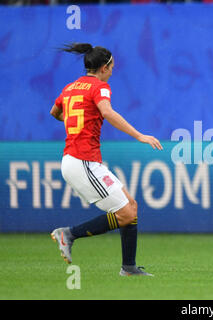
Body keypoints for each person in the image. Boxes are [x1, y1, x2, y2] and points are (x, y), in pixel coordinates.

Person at [50, 43, 163, 276]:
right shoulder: (99, 87)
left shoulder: (70, 87)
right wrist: (139, 135)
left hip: (79, 160)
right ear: (104, 67)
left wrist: (75, 123)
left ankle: (129, 267)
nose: (113, 71)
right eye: (112, 67)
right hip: (82, 161)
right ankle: (69, 234)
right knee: (127, 212)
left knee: (131, 206)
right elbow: (108, 112)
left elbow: (55, 112)